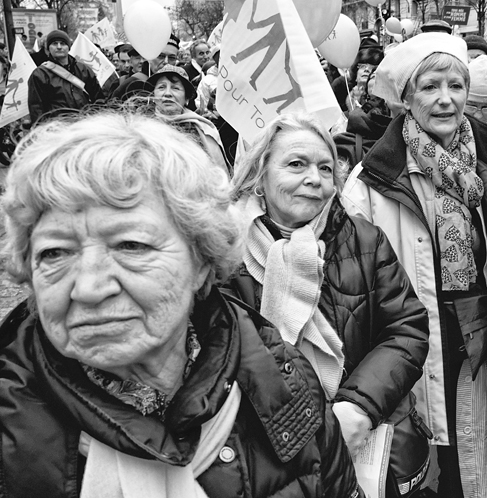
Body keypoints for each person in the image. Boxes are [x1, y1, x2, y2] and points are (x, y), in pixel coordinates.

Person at [0, 112, 362, 497]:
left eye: (131, 245)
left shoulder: (283, 381)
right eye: (55, 253)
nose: (88, 287)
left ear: (202, 262)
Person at [341, 33, 487, 498]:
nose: (445, 99)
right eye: (429, 87)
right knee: (427, 468)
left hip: (480, 344)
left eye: (456, 85)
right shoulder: (372, 180)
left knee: (478, 463)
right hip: (414, 345)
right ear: (406, 98)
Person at [227, 112, 431, 496]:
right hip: (261, 455)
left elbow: (406, 328)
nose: (314, 179)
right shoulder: (222, 253)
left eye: (325, 167)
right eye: (296, 164)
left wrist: (357, 408)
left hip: (363, 439)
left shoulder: (365, 239)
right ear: (260, 174)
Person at [141, 64, 228, 172]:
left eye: (175, 88)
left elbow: (216, 173)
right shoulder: (141, 128)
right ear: (153, 95)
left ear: (187, 98)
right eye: (161, 87)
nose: (167, 93)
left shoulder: (202, 129)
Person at [27, 30, 103, 124]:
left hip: (86, 126)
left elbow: (98, 98)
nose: (59, 47)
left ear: (69, 47)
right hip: (59, 130)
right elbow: (36, 108)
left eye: (63, 43)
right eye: (54, 43)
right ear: (48, 48)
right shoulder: (40, 74)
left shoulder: (83, 69)